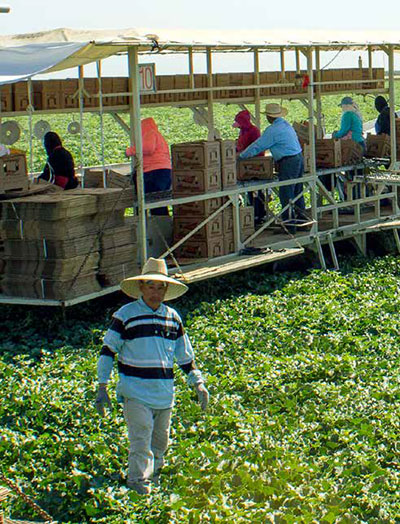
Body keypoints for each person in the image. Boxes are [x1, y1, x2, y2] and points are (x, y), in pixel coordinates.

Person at [95, 257, 210, 495]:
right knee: (141, 438)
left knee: (160, 441)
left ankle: (154, 477)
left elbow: (184, 355)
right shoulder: (125, 315)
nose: (155, 292)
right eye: (150, 285)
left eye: (160, 287)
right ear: (141, 287)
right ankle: (138, 483)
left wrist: (198, 382)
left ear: (166, 289)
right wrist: (102, 386)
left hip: (164, 393)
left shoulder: (173, 317)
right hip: (134, 391)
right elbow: (108, 350)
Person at [239, 103, 305, 226]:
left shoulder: (273, 130)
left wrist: (241, 156)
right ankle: (302, 219)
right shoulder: (286, 125)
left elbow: (258, 145)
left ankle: (290, 223)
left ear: (269, 117)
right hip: (298, 157)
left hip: (288, 161)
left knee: (286, 192)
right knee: (297, 190)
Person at [125, 117, 172, 215]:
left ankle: (145, 225)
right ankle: (163, 225)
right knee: (159, 202)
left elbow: (148, 148)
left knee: (144, 201)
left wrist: (130, 151)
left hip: (154, 172)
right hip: (165, 171)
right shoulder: (158, 136)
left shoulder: (149, 133)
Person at [234, 109, 267, 226]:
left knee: (257, 191)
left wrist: (241, 153)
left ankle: (260, 214)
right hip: (245, 165)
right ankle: (252, 214)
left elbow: (255, 148)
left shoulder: (254, 131)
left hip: (255, 163)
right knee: (249, 191)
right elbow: (240, 145)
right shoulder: (242, 131)